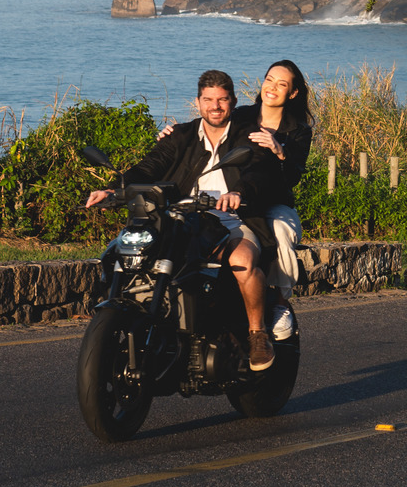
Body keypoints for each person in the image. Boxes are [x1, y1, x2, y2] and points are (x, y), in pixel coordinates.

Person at [87, 70, 277, 371]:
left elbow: (259, 170)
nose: (215, 106)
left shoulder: (247, 136)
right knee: (126, 251)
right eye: (208, 100)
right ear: (198, 102)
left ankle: (257, 333)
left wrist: (239, 191)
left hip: (232, 220)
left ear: (233, 101)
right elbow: (150, 165)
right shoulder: (181, 136)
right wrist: (114, 189)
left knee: (241, 260)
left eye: (222, 100)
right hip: (181, 218)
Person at [159, 59, 313, 340]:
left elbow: (293, 176)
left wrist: (279, 151)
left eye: (282, 84)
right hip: (237, 197)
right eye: (269, 79)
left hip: (272, 199)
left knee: (279, 230)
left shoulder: (298, 129)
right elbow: (211, 123)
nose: (272, 87)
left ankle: (279, 302)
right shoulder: (242, 115)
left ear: (292, 93)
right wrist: (175, 133)